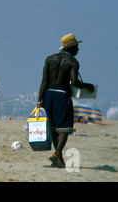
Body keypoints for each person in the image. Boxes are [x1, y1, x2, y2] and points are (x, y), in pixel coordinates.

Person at [37, 33, 95, 168]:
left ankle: (59, 159)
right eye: (77, 47)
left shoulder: (49, 59)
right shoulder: (72, 62)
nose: (78, 50)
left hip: (48, 94)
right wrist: (89, 86)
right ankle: (57, 153)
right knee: (64, 127)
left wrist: (39, 101)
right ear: (71, 47)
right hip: (62, 95)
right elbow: (75, 82)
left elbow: (44, 80)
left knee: (53, 126)